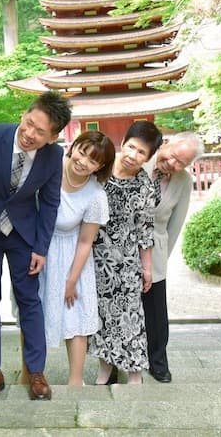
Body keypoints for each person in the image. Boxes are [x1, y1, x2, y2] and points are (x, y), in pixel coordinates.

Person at [0, 91, 72, 401]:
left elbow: (51, 202)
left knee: (30, 301)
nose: (29, 134)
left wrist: (41, 248)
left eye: (40, 132)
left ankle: (36, 373)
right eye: (29, 123)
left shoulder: (54, 156)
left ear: (53, 137)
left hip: (23, 234)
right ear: (24, 114)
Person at [39, 131, 115, 386]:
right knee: (33, 311)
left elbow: (85, 241)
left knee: (75, 316)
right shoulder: (50, 168)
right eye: (82, 152)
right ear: (73, 147)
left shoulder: (95, 195)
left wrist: (72, 280)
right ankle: (31, 375)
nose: (83, 162)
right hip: (40, 249)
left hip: (72, 255)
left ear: (100, 166)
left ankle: (75, 380)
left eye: (92, 161)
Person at [90, 120, 162, 386]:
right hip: (95, 259)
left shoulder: (144, 185)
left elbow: (145, 229)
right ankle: (105, 369)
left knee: (131, 318)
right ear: (122, 143)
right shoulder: (101, 169)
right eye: (131, 147)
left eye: (141, 152)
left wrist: (147, 268)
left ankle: (134, 373)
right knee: (102, 317)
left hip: (127, 262)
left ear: (148, 158)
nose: (133, 155)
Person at [142, 132, 205, 384]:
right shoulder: (138, 161)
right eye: (173, 157)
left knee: (156, 311)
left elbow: (175, 225)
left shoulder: (183, 181)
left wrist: (161, 260)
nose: (173, 165)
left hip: (156, 248)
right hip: (123, 246)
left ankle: (158, 362)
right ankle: (115, 361)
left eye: (182, 163)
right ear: (166, 144)